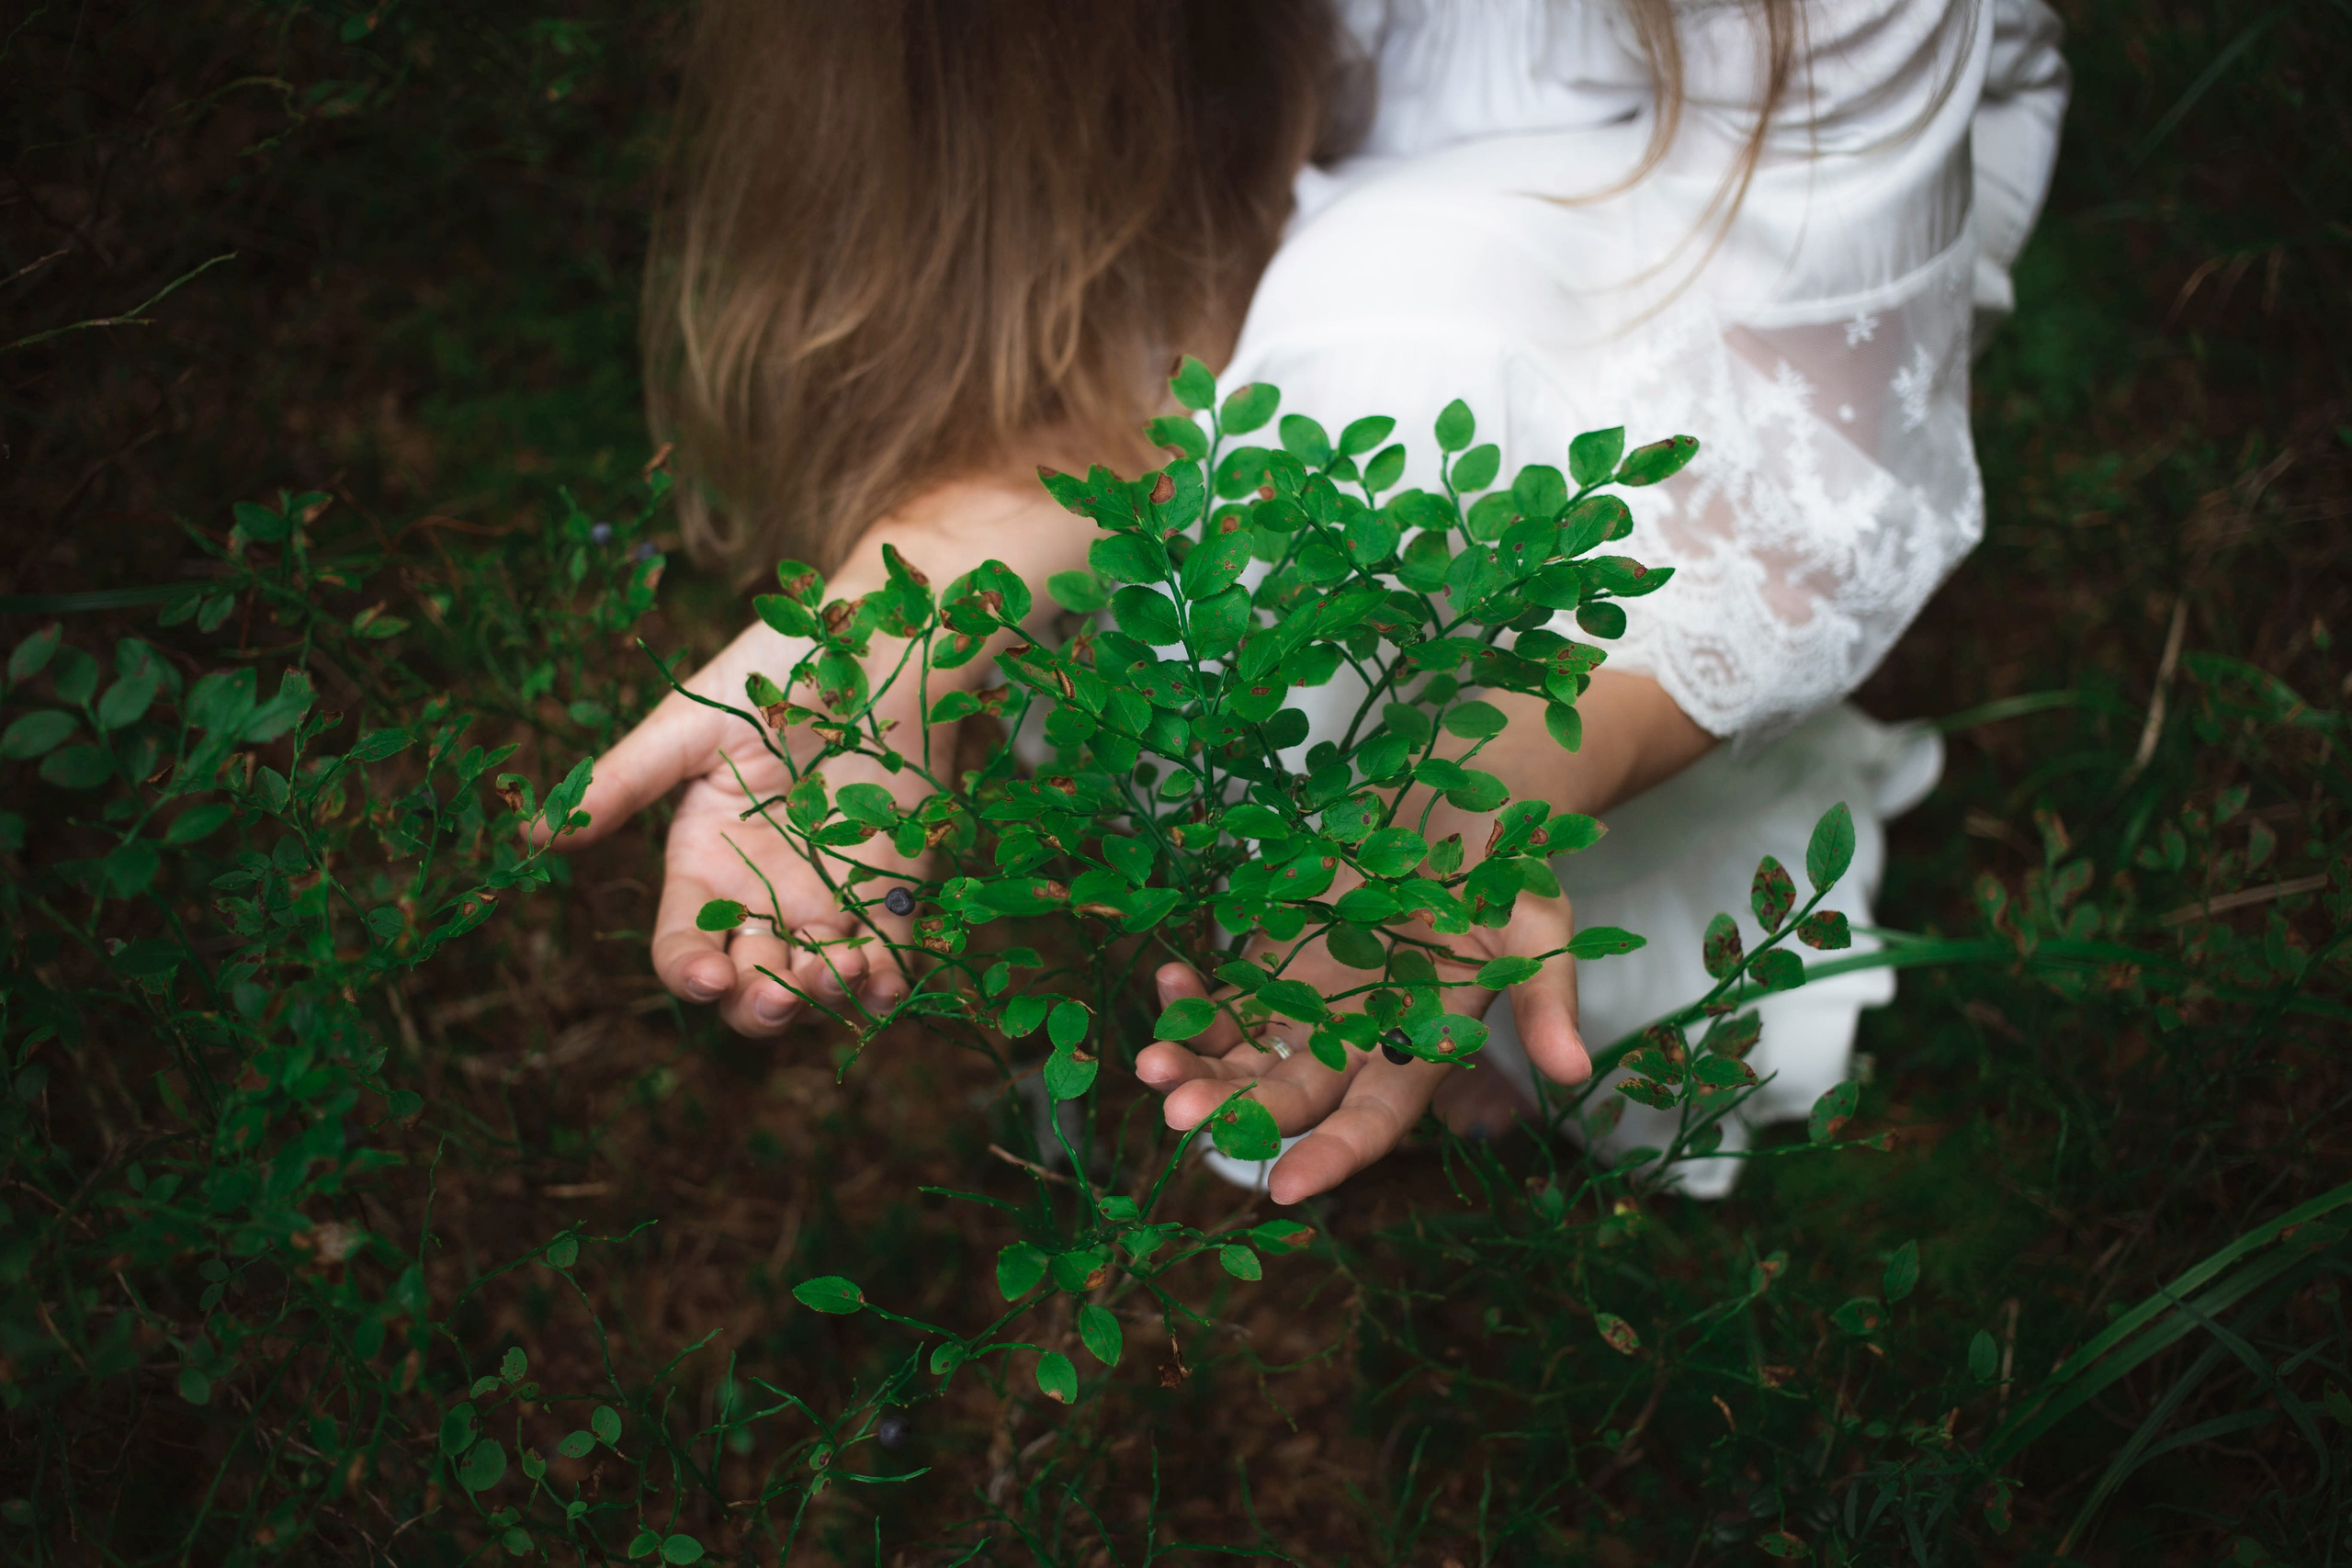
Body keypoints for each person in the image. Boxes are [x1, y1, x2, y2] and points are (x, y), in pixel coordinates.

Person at [555, 0, 2068, 1204]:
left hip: (1778, 224)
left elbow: (1810, 467)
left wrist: (1485, 783)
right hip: (1297, 207)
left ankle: (1510, 912)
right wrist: (913, 615)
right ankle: (1290, 922)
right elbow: (1119, 277)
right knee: (1317, 429)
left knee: (1396, 343)